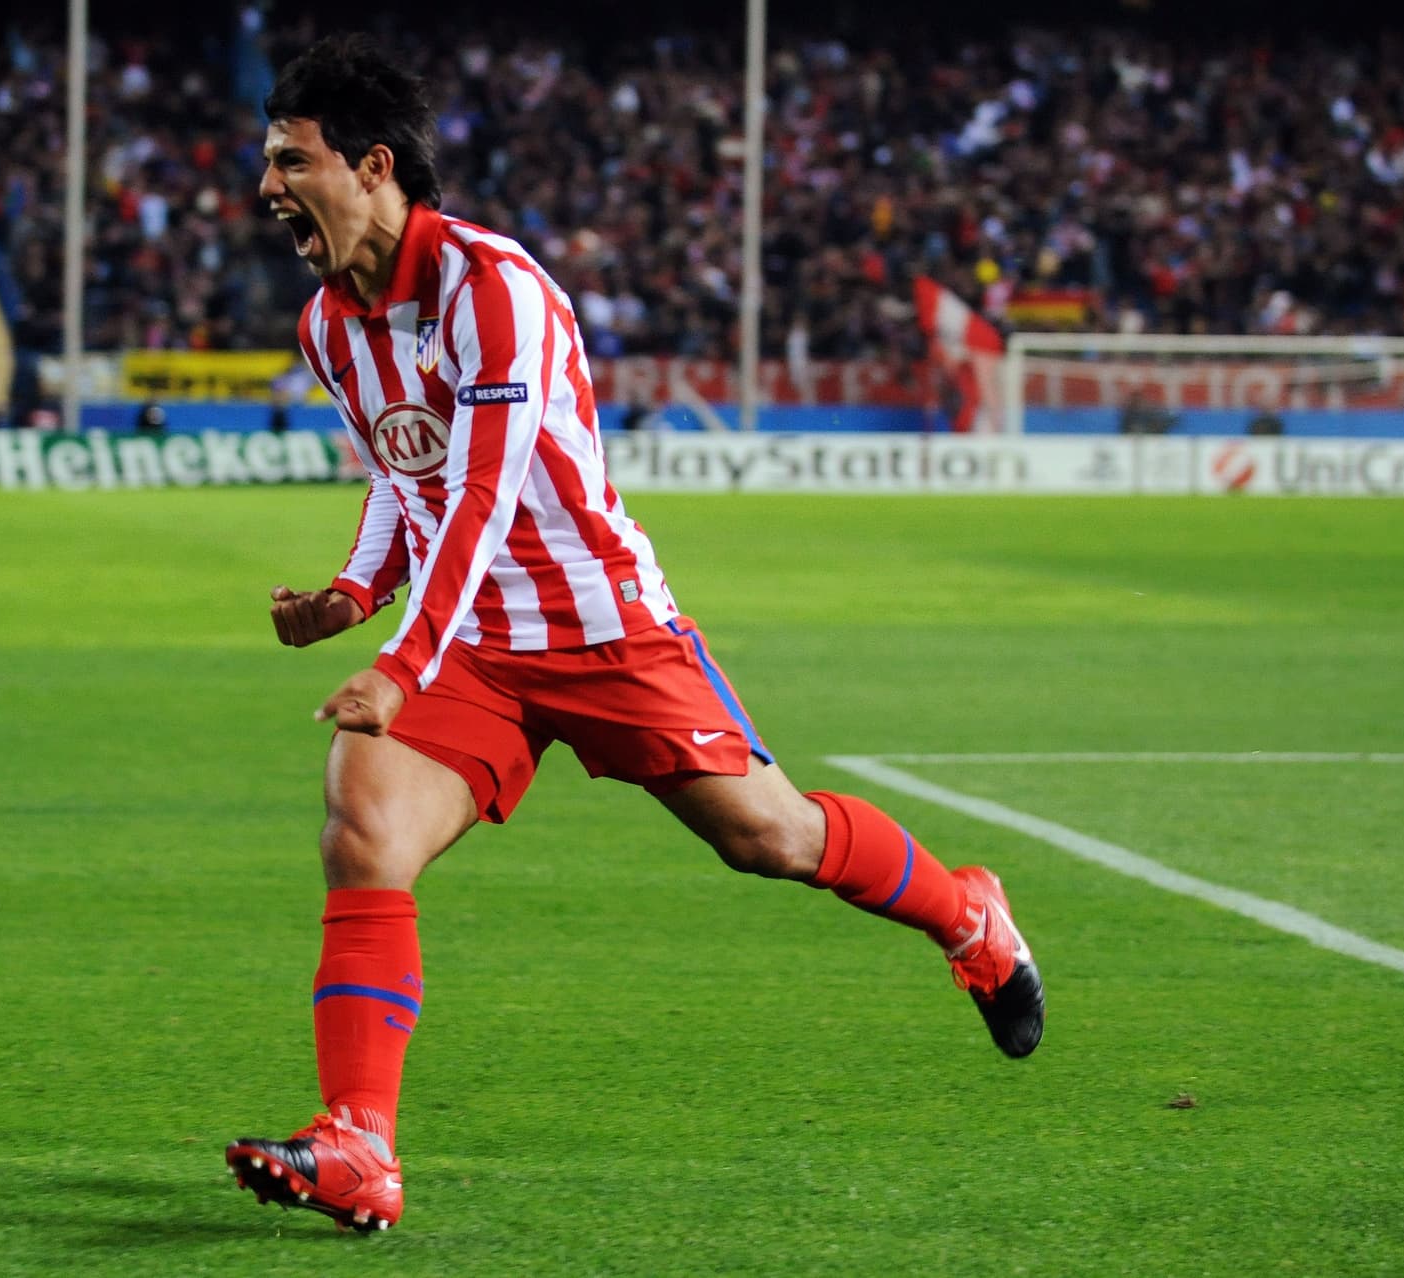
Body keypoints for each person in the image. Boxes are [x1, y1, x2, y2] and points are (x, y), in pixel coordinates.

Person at [226, 35, 1044, 1235]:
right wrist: (354, 594)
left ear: (373, 166)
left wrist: (402, 661)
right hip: (480, 648)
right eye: (267, 163)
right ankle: (359, 1143)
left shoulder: (492, 290)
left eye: (291, 161)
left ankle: (965, 910)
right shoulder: (331, 325)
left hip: (606, 629)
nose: (267, 190)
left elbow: (493, 487)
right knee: (362, 827)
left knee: (770, 838)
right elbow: (410, 477)